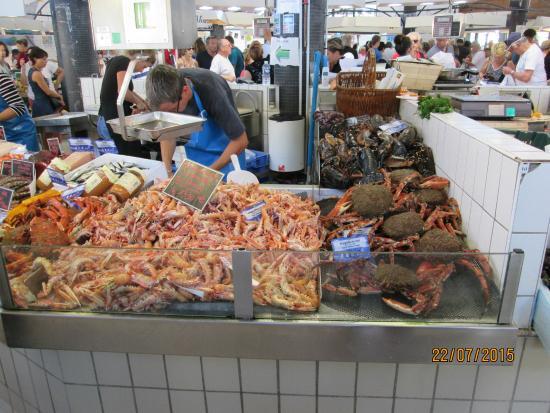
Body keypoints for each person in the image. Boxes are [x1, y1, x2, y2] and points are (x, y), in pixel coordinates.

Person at [146, 65, 248, 177]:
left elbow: (240, 141)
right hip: (198, 159)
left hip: (228, 158)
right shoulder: (168, 87)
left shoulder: (211, 90)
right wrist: (167, 172)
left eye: (172, 110)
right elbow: (168, 134)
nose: (171, 116)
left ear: (185, 91)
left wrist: (207, 173)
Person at [98, 50, 155, 157]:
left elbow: (128, 91)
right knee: (130, 156)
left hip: (111, 117)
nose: (142, 70)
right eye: (144, 66)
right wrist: (139, 103)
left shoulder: (118, 61)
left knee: (132, 153)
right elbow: (122, 91)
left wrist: (143, 103)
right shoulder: (123, 61)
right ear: (140, 59)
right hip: (113, 120)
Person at [0, 72, 39, 151]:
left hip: (21, 133)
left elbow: (18, 107)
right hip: (4, 136)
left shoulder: (2, 79)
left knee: (26, 161)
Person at [27, 47, 65, 117]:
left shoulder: (34, 71)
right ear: (35, 59)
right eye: (43, 59)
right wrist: (59, 96)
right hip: (43, 105)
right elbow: (48, 92)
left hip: (44, 103)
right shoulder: (36, 73)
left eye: (46, 59)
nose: (46, 61)